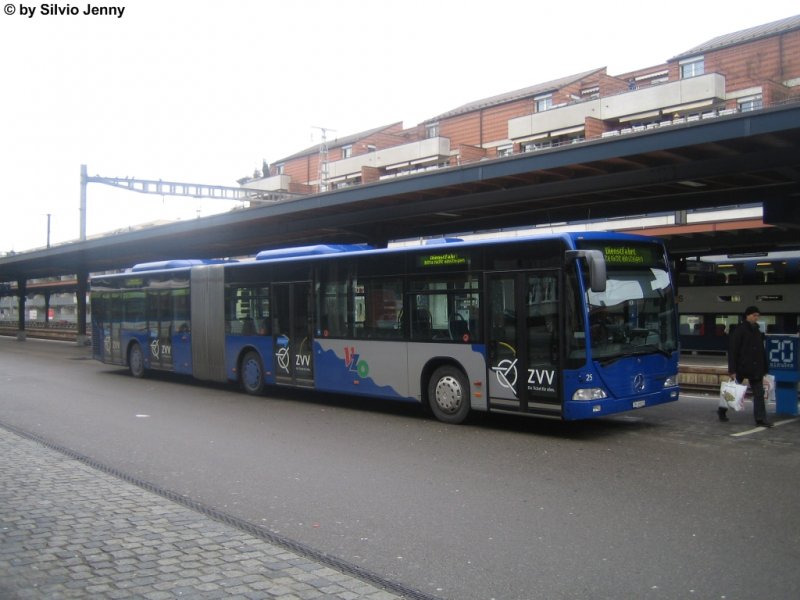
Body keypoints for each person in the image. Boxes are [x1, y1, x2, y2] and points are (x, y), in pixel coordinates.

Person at [721, 305, 773, 427]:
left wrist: (764, 368)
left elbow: (761, 351)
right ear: (747, 316)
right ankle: (722, 410)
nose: (756, 318)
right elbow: (733, 350)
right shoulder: (739, 330)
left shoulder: (758, 331)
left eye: (758, 316)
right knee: (731, 392)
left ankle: (760, 419)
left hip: (755, 368)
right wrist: (732, 369)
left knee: (759, 394)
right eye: (754, 315)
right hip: (741, 367)